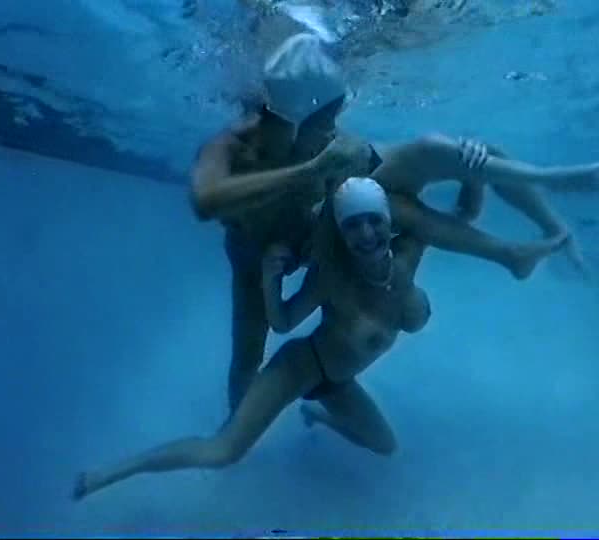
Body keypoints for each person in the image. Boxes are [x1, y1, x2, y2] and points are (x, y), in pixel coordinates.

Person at [190, 32, 599, 415]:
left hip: (316, 232)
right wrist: (310, 170)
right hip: (257, 255)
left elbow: (427, 157)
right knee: (247, 355)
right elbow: (206, 201)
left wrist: (479, 160)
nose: (322, 126)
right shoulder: (230, 148)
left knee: (431, 168)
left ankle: (542, 217)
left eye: (325, 116)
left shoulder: (321, 133)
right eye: (313, 118)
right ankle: (235, 433)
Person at [72, 176, 568, 500]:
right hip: (301, 367)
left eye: (374, 221)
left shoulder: (408, 257)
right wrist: (270, 280)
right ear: (342, 233)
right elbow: (284, 322)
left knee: (384, 445)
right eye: (353, 226)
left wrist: (473, 173)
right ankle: (112, 473)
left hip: (337, 384)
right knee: (223, 452)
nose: (367, 234)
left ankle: (319, 416)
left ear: (389, 221)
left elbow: (458, 217)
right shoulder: (332, 275)